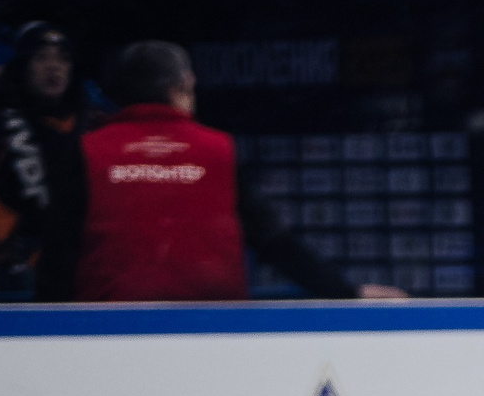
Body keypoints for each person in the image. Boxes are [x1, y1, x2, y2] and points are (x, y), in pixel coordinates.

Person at [56, 42, 400, 303]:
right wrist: (347, 293)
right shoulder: (217, 150)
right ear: (183, 86)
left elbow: (60, 251)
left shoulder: (89, 150)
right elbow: (272, 241)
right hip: (213, 334)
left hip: (105, 336)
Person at [0, 22, 88, 303]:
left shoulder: (90, 125)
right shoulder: (0, 128)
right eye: (42, 57)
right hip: (11, 273)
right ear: (23, 65)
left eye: (62, 58)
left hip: (78, 266)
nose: (54, 67)